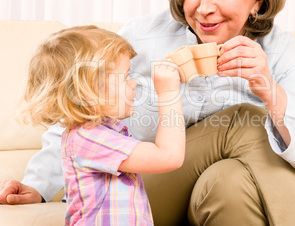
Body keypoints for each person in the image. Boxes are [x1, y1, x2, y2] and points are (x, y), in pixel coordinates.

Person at [0, 0, 295, 225]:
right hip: (144, 193)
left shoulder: (279, 50)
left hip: (209, 195)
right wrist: (39, 186)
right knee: (246, 122)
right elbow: (76, 115)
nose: (204, 8)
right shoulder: (140, 36)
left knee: (231, 183)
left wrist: (270, 90)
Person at [15, 25, 185, 225]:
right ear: (88, 94)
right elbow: (168, 157)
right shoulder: (89, 138)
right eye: (125, 77)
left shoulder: (101, 132)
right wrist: (168, 94)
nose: (134, 84)